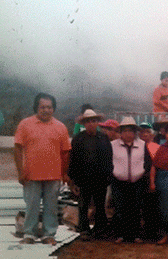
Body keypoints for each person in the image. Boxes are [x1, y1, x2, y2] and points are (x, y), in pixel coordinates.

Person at [14, 93, 71, 245]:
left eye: (49, 107)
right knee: (31, 206)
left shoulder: (60, 127)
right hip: (31, 175)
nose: (46, 110)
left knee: (51, 207)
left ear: (53, 109)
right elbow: (18, 148)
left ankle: (48, 234)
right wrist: (21, 171)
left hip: (53, 176)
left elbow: (65, 152)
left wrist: (64, 173)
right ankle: (29, 234)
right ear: (36, 108)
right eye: (42, 107)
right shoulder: (25, 124)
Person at [68, 109, 113, 240]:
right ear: (84, 123)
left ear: (97, 122)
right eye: (88, 121)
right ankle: (84, 230)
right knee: (83, 205)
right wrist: (73, 180)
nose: (91, 124)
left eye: (94, 121)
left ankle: (100, 229)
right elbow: (73, 160)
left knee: (100, 205)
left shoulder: (104, 138)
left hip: (100, 178)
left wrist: (108, 175)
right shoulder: (78, 139)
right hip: (84, 178)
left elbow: (108, 158)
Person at [111, 117, 152, 243]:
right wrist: (113, 173)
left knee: (135, 208)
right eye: (125, 131)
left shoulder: (142, 145)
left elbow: (148, 162)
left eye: (131, 131)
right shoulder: (113, 145)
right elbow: (108, 161)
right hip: (118, 182)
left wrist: (142, 173)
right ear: (121, 132)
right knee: (120, 208)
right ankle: (121, 235)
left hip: (137, 181)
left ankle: (135, 235)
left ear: (135, 132)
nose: (128, 134)